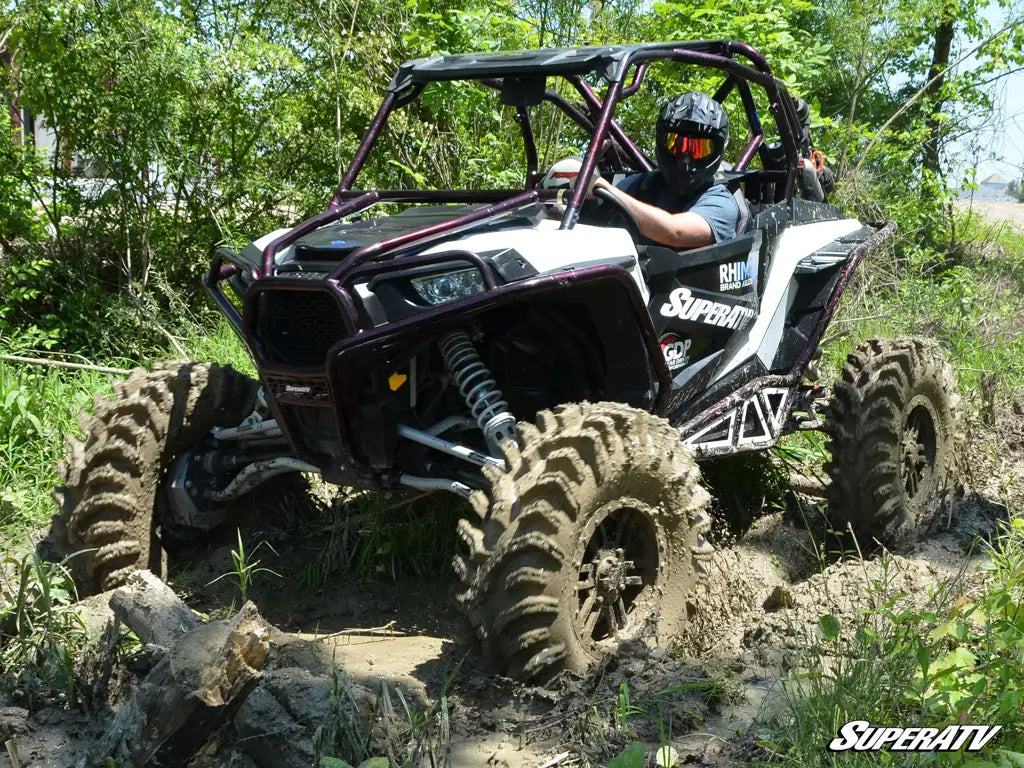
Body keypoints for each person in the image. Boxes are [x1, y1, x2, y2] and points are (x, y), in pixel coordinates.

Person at [590, 91, 739, 249]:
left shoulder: (721, 203)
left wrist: (606, 189)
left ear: (717, 151)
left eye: (699, 149)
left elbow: (675, 232)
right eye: (676, 145)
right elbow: (586, 223)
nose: (686, 160)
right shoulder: (640, 185)